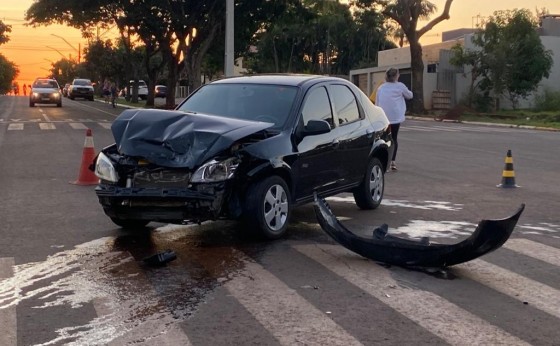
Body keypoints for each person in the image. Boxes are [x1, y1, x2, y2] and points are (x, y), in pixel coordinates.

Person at [375, 67, 413, 172]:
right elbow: (410, 95)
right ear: (396, 76)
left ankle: (383, 162)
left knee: (384, 139)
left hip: (384, 117)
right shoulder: (400, 86)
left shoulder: (381, 88)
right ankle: (392, 162)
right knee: (394, 139)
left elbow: (377, 103)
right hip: (395, 118)